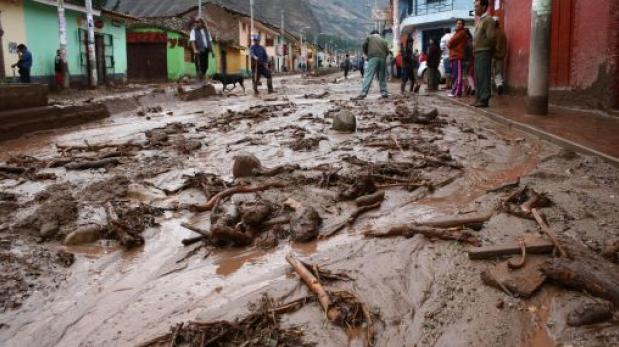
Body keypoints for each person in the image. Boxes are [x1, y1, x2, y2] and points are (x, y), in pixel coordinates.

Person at [353, 30, 390, 100]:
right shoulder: (383, 40)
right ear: (378, 34)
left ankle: (363, 93)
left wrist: (367, 53)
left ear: (372, 34)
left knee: (369, 75)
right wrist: (383, 56)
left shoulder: (370, 37)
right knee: (382, 76)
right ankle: (384, 92)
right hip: (382, 58)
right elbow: (387, 51)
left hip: (373, 57)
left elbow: (364, 45)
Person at [473, 0, 496, 107]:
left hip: (484, 51)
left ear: (484, 7)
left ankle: (484, 99)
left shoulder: (488, 20)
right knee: (478, 76)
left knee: (484, 76)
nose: (475, 8)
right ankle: (479, 98)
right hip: (478, 52)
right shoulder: (480, 20)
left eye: (477, 6)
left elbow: (491, 37)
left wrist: (486, 48)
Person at [189, 17, 214, 83]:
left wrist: (212, 51)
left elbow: (210, 41)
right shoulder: (193, 31)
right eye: (196, 22)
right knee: (199, 65)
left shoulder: (206, 30)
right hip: (199, 50)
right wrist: (194, 49)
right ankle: (200, 79)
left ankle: (203, 77)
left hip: (206, 49)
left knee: (206, 65)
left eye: (198, 22)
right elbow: (192, 41)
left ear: (202, 23)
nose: (197, 23)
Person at [448, 19, 467, 97]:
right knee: (455, 75)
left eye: (460, 23)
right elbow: (450, 42)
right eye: (457, 23)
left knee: (458, 75)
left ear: (463, 25)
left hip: (458, 56)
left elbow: (451, 42)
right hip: (454, 56)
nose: (458, 25)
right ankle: (454, 91)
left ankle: (457, 92)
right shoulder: (456, 33)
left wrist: (450, 43)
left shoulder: (461, 33)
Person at [493, 16, 507, 95]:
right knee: (498, 71)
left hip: (493, 54)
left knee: (493, 72)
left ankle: (497, 86)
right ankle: (499, 84)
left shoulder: (492, 32)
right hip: (501, 55)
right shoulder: (502, 33)